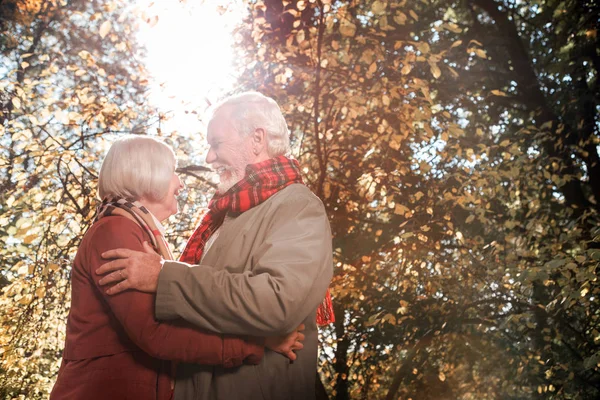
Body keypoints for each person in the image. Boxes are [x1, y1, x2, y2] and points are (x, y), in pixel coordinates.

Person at [95, 92, 335, 400]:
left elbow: (277, 303)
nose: (208, 157)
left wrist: (163, 277)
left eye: (217, 143)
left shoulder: (297, 206)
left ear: (257, 139)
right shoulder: (223, 217)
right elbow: (199, 312)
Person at [50, 135, 305, 400]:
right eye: (172, 172)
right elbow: (155, 334)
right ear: (147, 174)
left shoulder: (135, 232)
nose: (180, 182)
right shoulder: (115, 231)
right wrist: (256, 344)